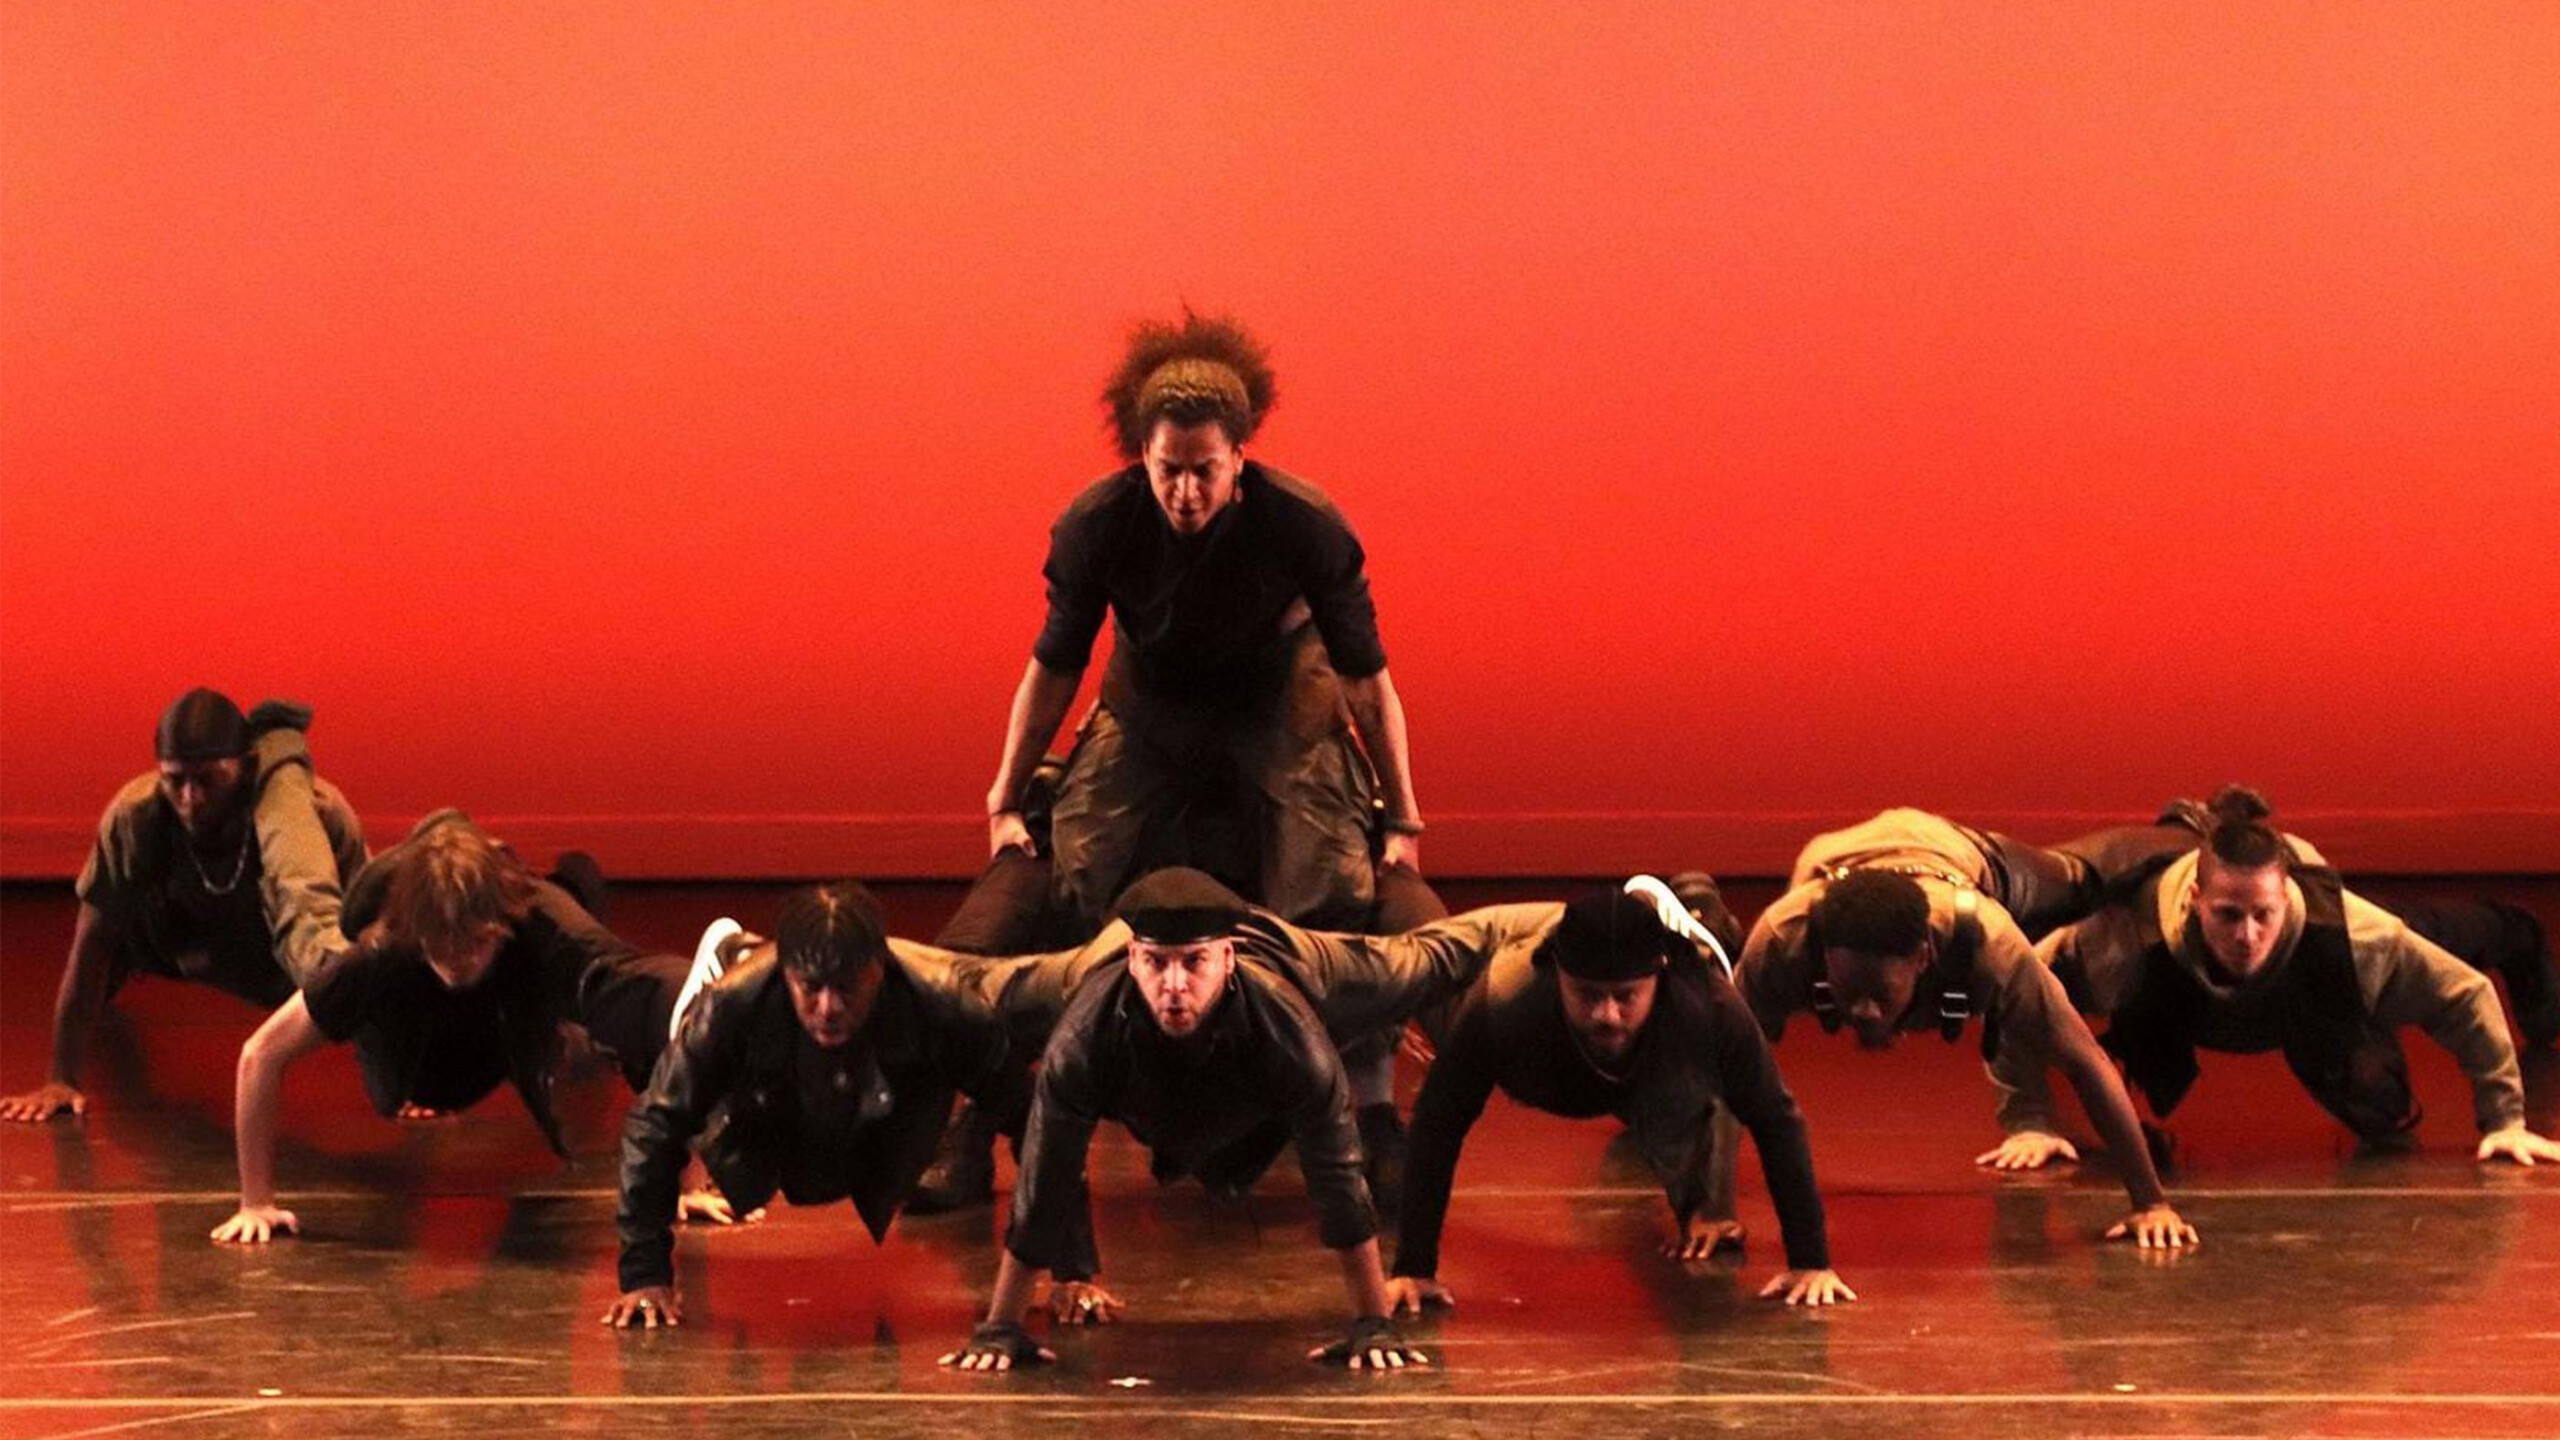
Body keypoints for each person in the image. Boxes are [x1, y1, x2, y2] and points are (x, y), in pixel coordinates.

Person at [940, 868, 1497, 1372]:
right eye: (1157, 964)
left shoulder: (1290, 1029)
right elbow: (1046, 1173)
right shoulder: (1085, 1032)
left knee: (1424, 963)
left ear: (1227, 960)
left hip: (1289, 957)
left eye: (1195, 964)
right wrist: (1001, 1326)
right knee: (955, 990)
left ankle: (1523, 924)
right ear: (1135, 961)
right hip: (1114, 998)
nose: (1175, 985)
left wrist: (1373, 1321)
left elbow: (1338, 1177)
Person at [982, 310, 1424, 939]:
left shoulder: (1305, 526)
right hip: (1151, 695)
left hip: (1279, 698)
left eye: (1204, 470)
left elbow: (1366, 681)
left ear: (1239, 458)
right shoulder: (1097, 526)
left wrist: (1404, 819)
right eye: (1169, 469)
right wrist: (1005, 797)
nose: (1185, 491)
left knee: (1326, 885)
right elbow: (1055, 666)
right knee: (1081, 870)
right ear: (1144, 455)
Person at [209, 812, 693, 1243]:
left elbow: (670, 1021)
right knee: (391, 1085)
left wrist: (686, 1181)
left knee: (595, 1014)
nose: (458, 961)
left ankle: (573, 1034)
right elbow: (260, 1054)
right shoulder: (384, 948)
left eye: (473, 944)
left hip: (520, 1010)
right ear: (417, 933)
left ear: (499, 924)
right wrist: (255, 1202)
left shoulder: (545, 923)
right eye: (441, 946)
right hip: (431, 1056)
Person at [1386, 881, 1854, 1319]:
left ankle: (1700, 912)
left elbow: (1775, 1117)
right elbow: (1438, 1121)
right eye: (1588, 995)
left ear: (1660, 977)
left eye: (1625, 996)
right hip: (1514, 953)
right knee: (1409, 968)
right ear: (1560, 977)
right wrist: (1413, 1267)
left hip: (1653, 1058)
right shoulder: (1506, 997)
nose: (1607, 1014)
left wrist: (1809, 1261)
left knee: (1676, 1096)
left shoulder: (1709, 1007)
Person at [1737, 809, 2200, 1247]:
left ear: (1924, 958)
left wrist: (2150, 1203)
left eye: (1880, 995)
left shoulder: (1986, 940)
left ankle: (2191, 829)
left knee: (2080, 880)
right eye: (1849, 993)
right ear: (1824, 961)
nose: (1864, 1011)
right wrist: (1711, 1212)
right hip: (1832, 855)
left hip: (1951, 853)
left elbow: (2085, 1062)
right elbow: (1727, 1071)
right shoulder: (1782, 941)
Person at [2034, 788, 2560, 1166]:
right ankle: (2203, 821)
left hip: (2308, 988)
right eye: (2228, 916)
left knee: (2382, 1099)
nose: (2246, 936)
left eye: (2263, 916)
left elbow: (2466, 995)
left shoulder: (2354, 934)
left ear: (2285, 902)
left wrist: (2504, 1121)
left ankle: (2531, 962)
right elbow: (2021, 990)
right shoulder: (2119, 946)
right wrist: (2028, 1122)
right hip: (2181, 986)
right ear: (2197, 904)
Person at [601, 882, 1016, 1328]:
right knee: (662, 1042)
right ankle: (730, 955)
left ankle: (746, 956)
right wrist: (644, 1276)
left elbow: (1037, 1117)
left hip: (866, 1122)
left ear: (880, 968)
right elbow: (656, 1122)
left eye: (846, 988)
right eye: (812, 988)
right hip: (753, 1107)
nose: (828, 1007)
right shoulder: (730, 1004)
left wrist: (1071, 1266)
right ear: (786, 974)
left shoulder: (942, 1003)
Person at [2, 689, 365, 1123]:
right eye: (176, 780)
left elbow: (371, 942)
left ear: (247, 767)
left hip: (271, 957)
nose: (191, 798)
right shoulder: (135, 816)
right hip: (173, 941)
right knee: (111, 941)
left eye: (208, 779)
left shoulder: (321, 814)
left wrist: (405, 1080)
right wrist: (61, 1078)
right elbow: (91, 945)